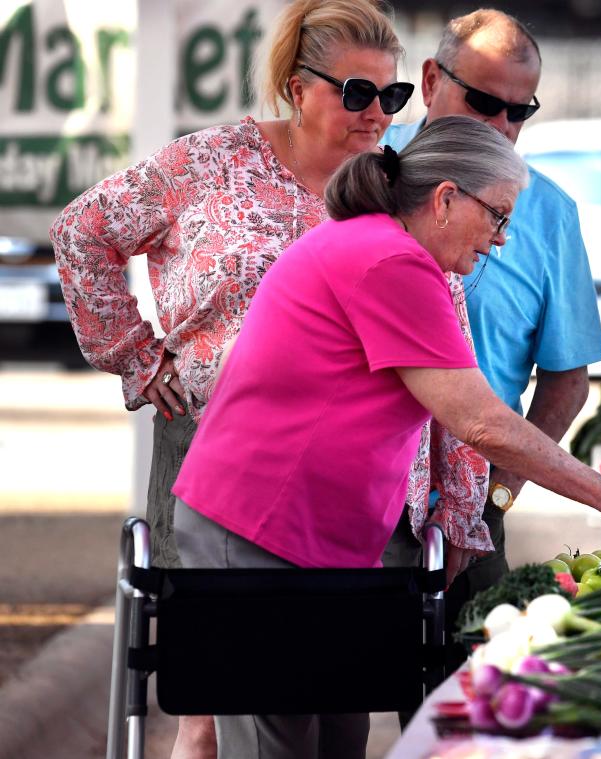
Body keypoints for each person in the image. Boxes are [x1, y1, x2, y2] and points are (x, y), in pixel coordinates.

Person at [170, 114, 601, 759]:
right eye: (498, 218)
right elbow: (482, 423)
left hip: (319, 541)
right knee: (277, 744)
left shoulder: (388, 251)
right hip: (259, 527)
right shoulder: (386, 259)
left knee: (337, 737)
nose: (502, 241)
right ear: (446, 198)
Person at [49, 1, 413, 756]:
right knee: (211, 700)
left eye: (392, 94)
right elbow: (83, 231)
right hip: (214, 454)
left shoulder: (390, 191)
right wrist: (136, 355)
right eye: (357, 92)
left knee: (323, 693)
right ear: (295, 84)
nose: (378, 113)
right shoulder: (209, 163)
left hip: (338, 480)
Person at [381, 8, 601, 659]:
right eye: (484, 103)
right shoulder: (366, 167)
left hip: (473, 507)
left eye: (520, 111)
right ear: (430, 81)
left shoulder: (548, 210)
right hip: (355, 491)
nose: (503, 126)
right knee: (329, 713)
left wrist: (498, 494)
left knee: (469, 706)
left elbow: (567, 377)